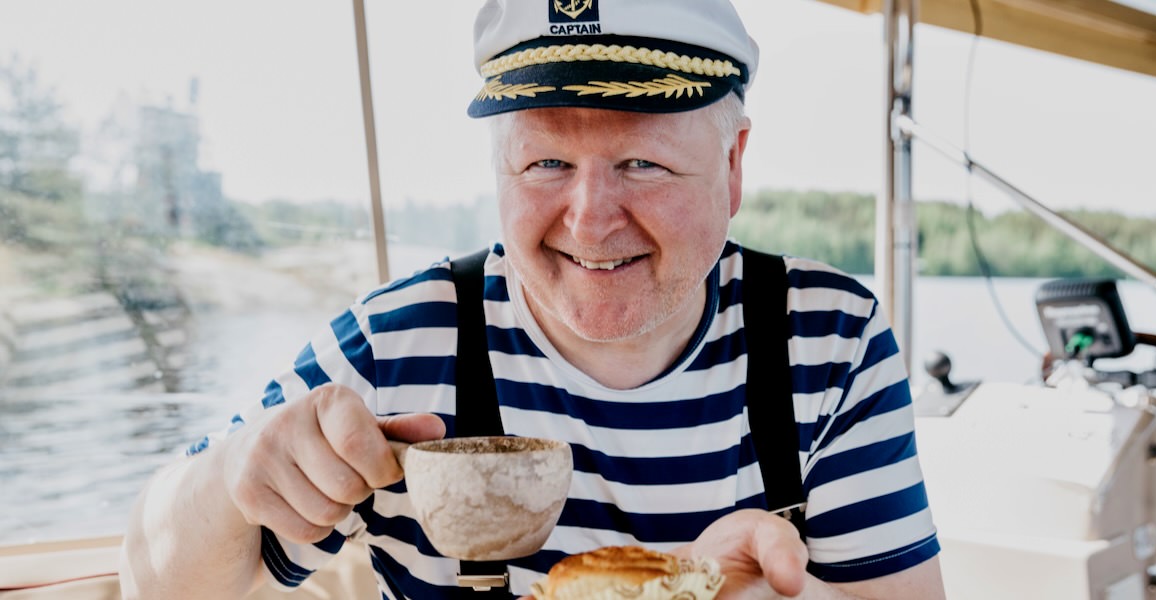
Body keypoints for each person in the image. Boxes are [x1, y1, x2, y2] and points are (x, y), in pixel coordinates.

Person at [120, 0, 945, 597]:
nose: (589, 219)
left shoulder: (827, 339)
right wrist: (233, 474)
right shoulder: (397, 346)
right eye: (546, 163)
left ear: (732, 166)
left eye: (641, 164)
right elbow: (153, 583)